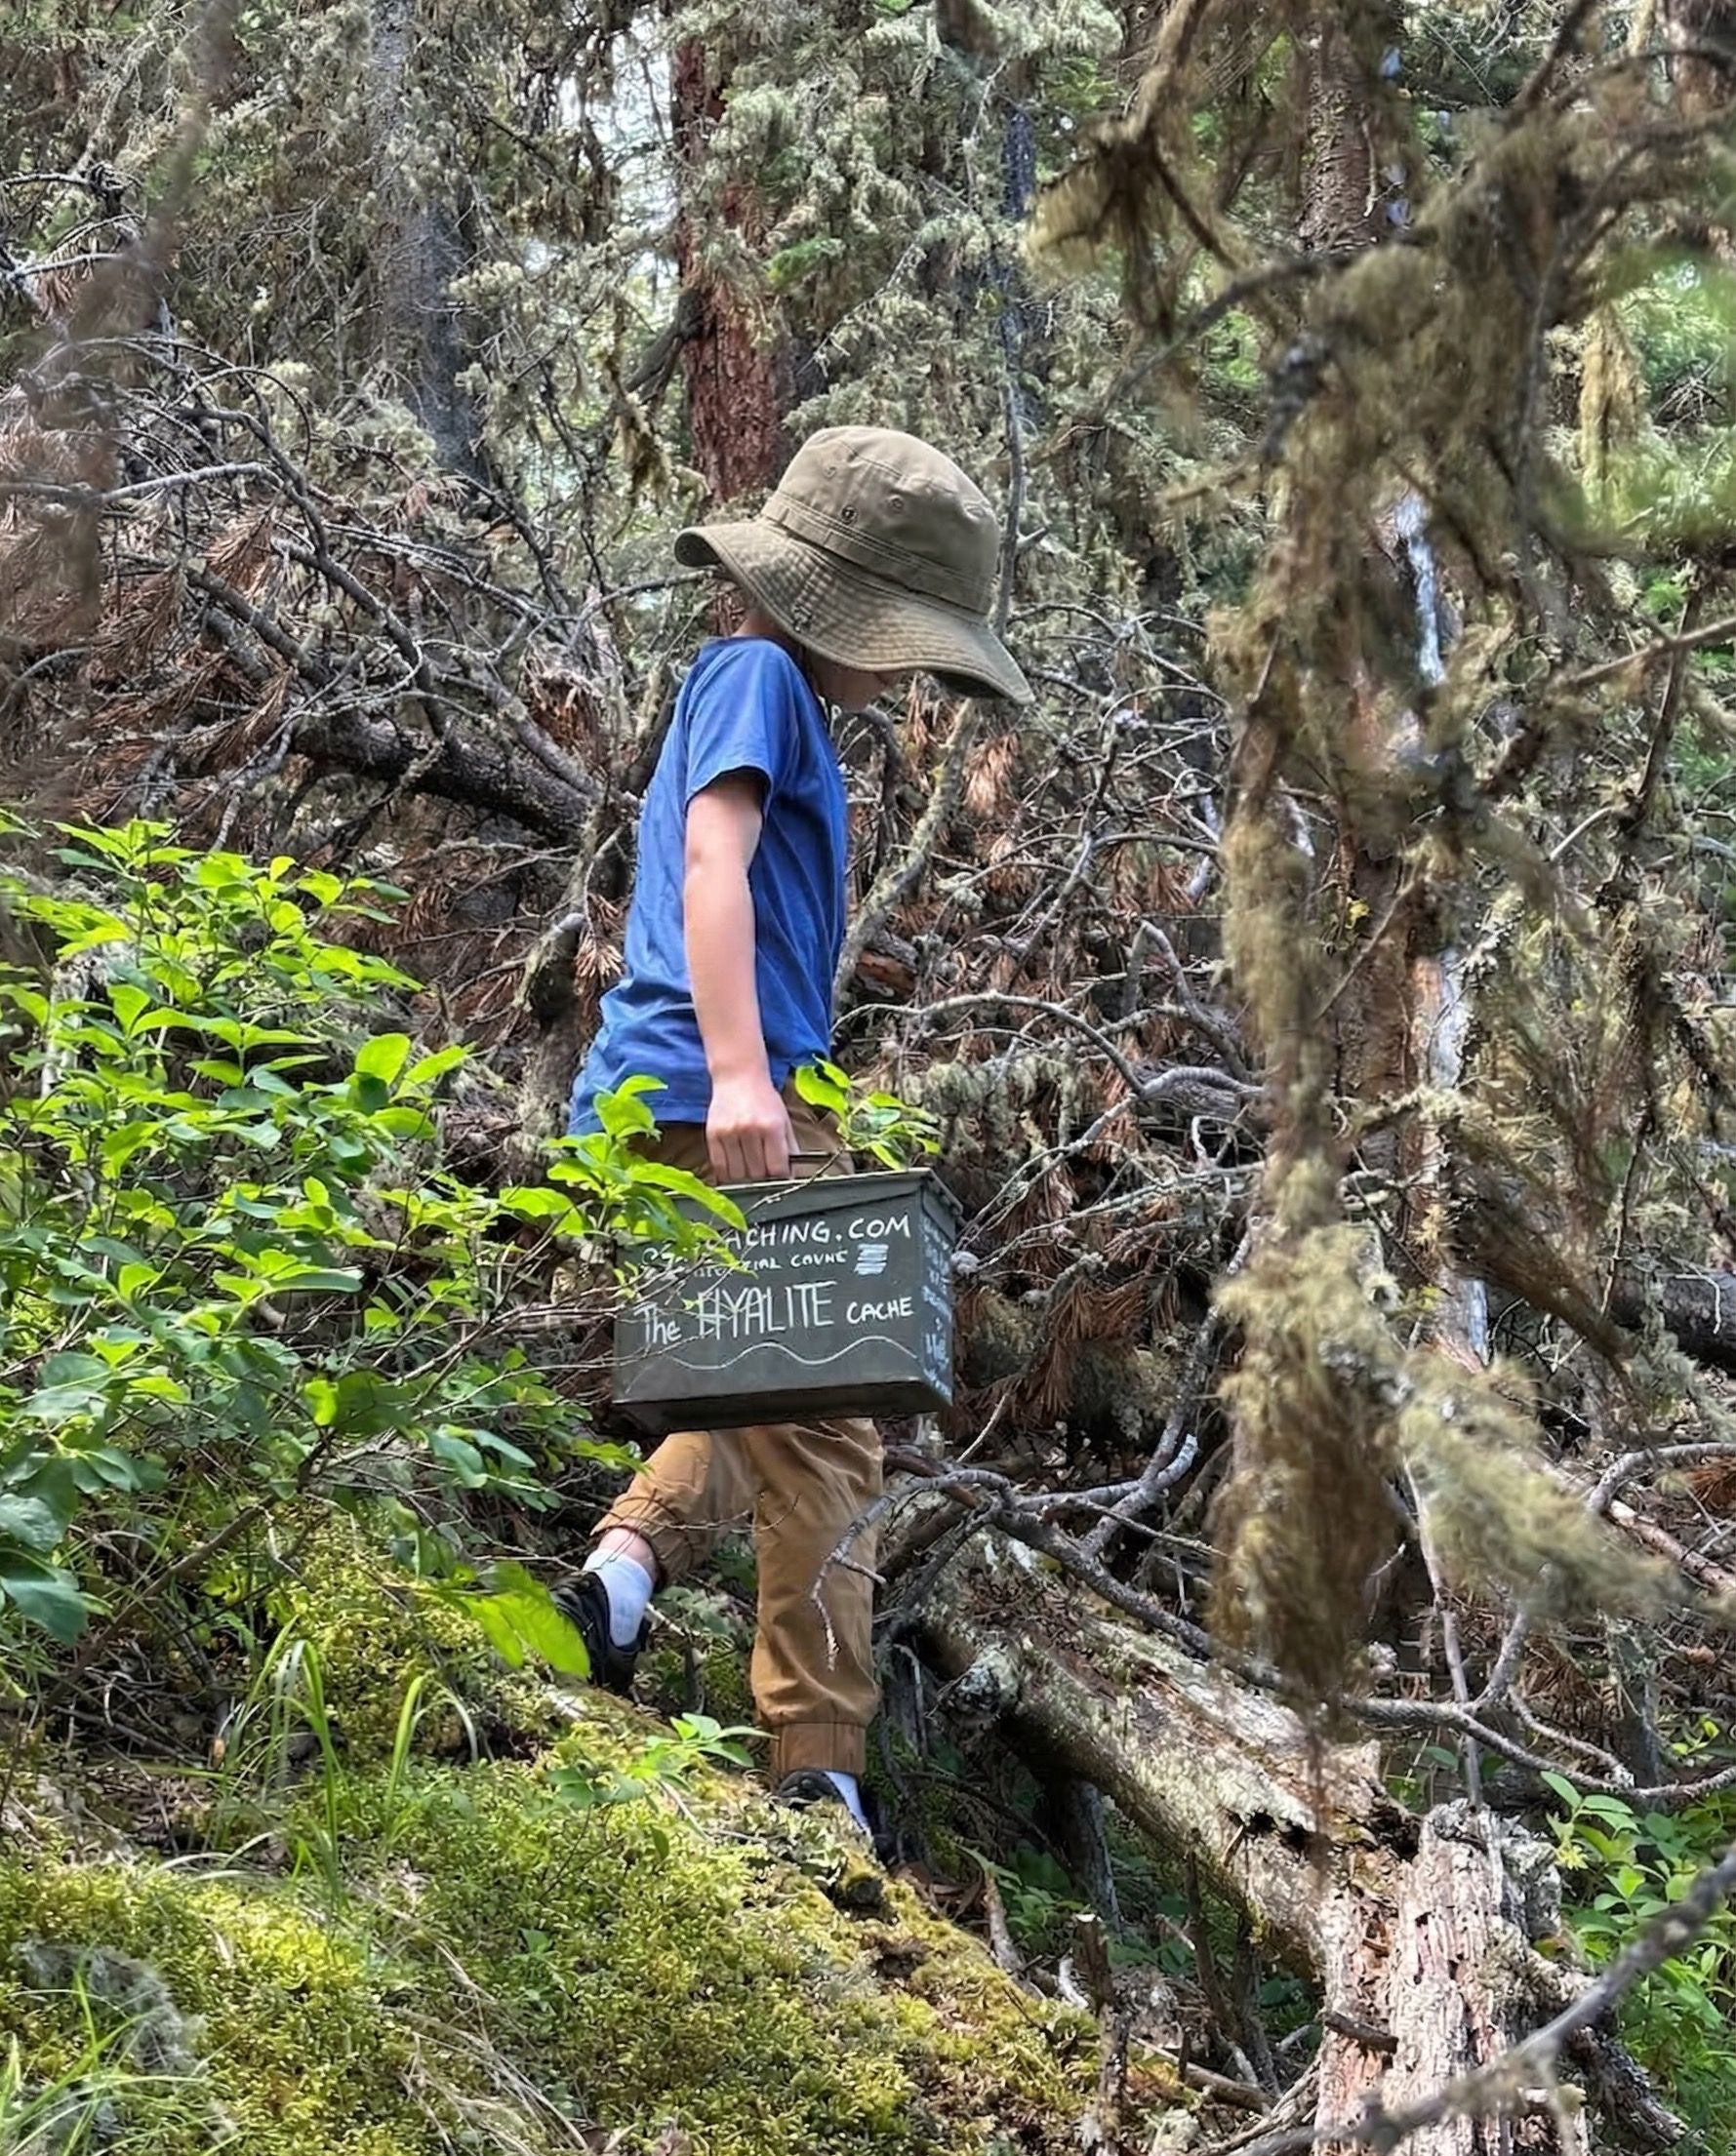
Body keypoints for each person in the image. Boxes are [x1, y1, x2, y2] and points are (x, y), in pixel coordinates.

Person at [558, 425, 1029, 1833]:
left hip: (674, 1088)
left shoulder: (752, 685)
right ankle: (817, 1766)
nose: (902, 674)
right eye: (904, 641)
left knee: (756, 1381)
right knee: (832, 1426)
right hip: (713, 1092)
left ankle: (620, 1582)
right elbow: (714, 864)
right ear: (846, 608)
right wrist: (746, 1073)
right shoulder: (760, 674)